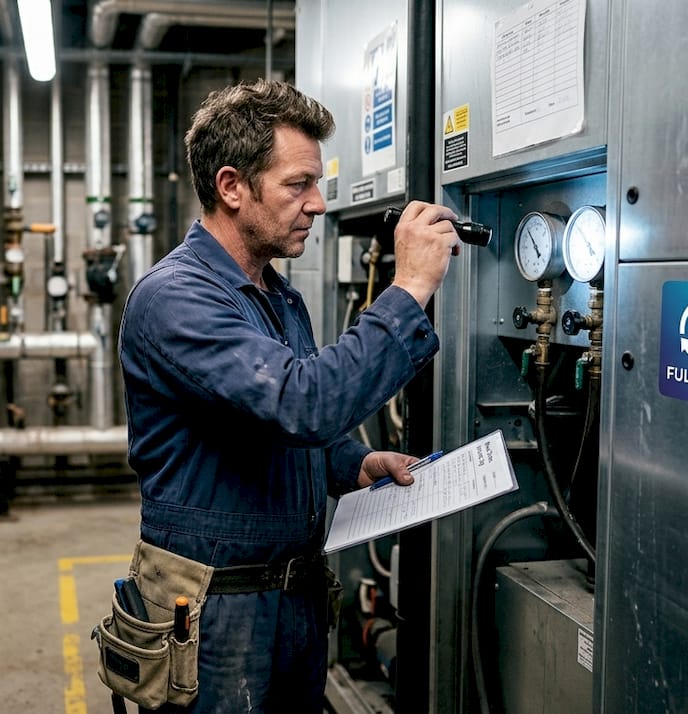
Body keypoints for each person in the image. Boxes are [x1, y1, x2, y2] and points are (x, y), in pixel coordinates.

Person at [117, 78, 461, 713]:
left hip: (293, 603)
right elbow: (301, 403)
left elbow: (280, 432)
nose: (319, 204)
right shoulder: (176, 299)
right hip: (214, 617)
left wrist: (354, 462)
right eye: (298, 184)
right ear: (231, 187)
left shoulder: (280, 299)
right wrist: (409, 286)